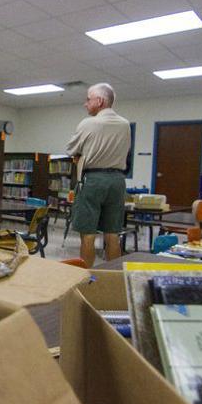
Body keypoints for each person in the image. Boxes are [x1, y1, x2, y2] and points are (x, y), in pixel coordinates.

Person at [65, 83, 131, 267]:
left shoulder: (88, 123)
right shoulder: (125, 124)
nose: (85, 103)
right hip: (117, 181)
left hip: (93, 180)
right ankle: (113, 278)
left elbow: (71, 149)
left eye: (88, 99)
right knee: (112, 234)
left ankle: (86, 278)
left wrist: (83, 155)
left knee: (88, 234)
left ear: (100, 101)